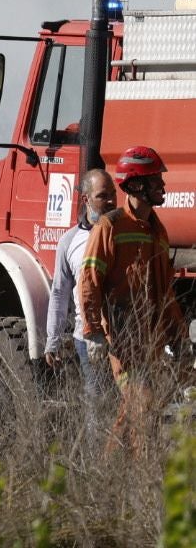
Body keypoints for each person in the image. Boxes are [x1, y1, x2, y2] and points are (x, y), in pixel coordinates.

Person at [78, 145, 187, 455]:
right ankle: (142, 486)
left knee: (137, 409)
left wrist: (179, 337)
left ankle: (107, 476)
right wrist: (93, 332)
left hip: (151, 341)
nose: (163, 187)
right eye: (156, 181)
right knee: (143, 406)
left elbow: (165, 292)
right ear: (137, 186)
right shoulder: (109, 226)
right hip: (122, 341)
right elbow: (89, 280)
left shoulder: (158, 230)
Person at [45, 170, 117, 415]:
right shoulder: (70, 241)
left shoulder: (124, 233)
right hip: (88, 337)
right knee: (98, 400)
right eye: (103, 196)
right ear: (86, 199)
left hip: (124, 332)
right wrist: (52, 341)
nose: (111, 201)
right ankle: (97, 453)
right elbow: (59, 293)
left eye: (113, 195)